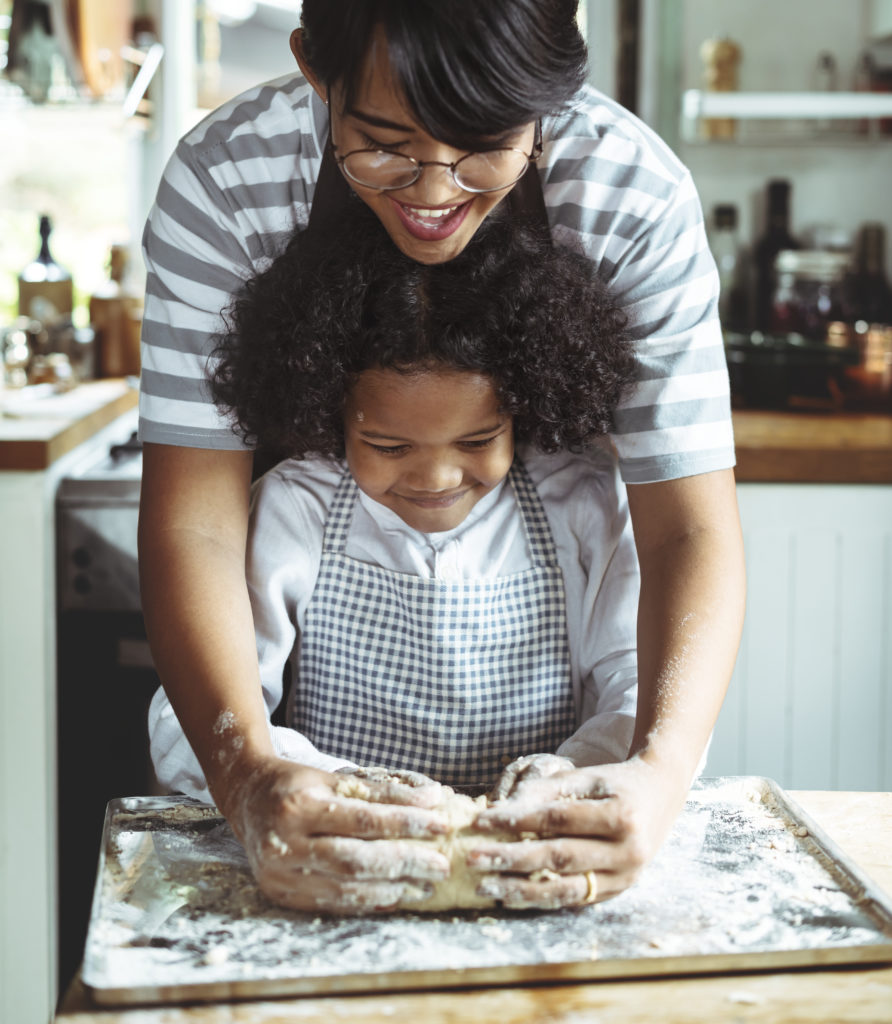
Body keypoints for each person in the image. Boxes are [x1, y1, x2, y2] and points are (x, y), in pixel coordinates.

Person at [138, 0, 745, 913]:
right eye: (381, 143)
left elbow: (686, 533)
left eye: (485, 145)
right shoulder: (228, 178)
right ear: (313, 68)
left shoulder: (630, 193)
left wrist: (655, 775)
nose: (432, 192)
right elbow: (195, 523)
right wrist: (249, 774)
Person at [149, 206, 642, 910]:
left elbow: (635, 693)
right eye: (388, 447)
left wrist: (565, 788)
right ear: (332, 411)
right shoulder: (300, 508)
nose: (436, 478)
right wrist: (317, 791)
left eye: (478, 441)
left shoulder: (583, 503)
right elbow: (187, 718)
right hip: (338, 876)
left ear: (524, 408)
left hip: (537, 877)